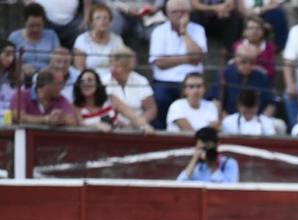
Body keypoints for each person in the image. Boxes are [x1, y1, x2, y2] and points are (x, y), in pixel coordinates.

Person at [149, 0, 207, 129]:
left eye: (183, 11)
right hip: (165, 81)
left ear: (189, 13)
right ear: (168, 14)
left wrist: (184, 32)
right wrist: (188, 59)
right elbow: (160, 62)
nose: (180, 15)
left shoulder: (198, 29)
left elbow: (197, 57)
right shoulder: (159, 31)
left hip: (192, 80)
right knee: (159, 100)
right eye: (175, 12)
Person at [73, 67, 153, 132]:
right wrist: (96, 125)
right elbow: (81, 126)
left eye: (90, 80)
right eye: (82, 81)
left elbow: (134, 117)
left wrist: (144, 125)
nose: (85, 84)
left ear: (98, 84)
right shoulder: (76, 106)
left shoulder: (111, 100)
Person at [208, 42, 276, 119]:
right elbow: (216, 103)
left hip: (257, 120)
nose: (248, 65)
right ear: (236, 59)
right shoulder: (224, 74)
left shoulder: (262, 76)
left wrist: (262, 120)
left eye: (252, 62)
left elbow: (271, 104)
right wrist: (229, 120)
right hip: (229, 120)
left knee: (280, 125)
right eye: (243, 62)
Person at [102, 46, 158, 128]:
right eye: (111, 66)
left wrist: (138, 123)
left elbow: (151, 110)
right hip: (111, 128)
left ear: (127, 67)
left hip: (138, 128)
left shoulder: (141, 81)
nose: (113, 70)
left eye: (117, 67)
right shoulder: (103, 82)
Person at [10, 67, 79, 127]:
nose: (62, 87)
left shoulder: (61, 99)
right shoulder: (21, 95)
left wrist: (62, 119)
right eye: (59, 84)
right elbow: (18, 117)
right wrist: (46, 119)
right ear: (47, 85)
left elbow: (73, 121)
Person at [8, 3, 61, 78]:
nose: (35, 29)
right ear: (25, 22)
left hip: (47, 76)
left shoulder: (51, 35)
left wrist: (49, 67)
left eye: (39, 25)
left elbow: (58, 57)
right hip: (21, 75)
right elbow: (8, 59)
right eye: (32, 25)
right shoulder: (14, 37)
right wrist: (21, 66)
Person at [73, 4, 124, 71]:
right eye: (98, 18)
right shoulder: (82, 40)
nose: (102, 21)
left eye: (105, 18)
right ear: (91, 22)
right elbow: (79, 69)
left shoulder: (117, 40)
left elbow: (121, 65)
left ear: (110, 21)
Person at [231, 15, 276, 80]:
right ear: (245, 32)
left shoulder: (269, 47)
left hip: (262, 81)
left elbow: (271, 72)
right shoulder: (238, 45)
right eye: (251, 28)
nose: (254, 31)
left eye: (258, 28)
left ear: (263, 32)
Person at [1, 43, 20, 114]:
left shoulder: (16, 74)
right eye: (7, 55)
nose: (10, 59)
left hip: (8, 114)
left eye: (13, 56)